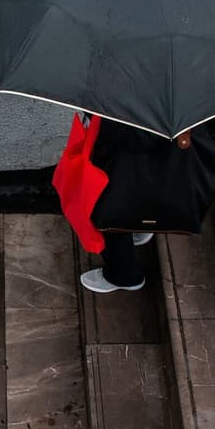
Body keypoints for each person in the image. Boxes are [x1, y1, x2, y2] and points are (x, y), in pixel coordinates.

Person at [77, 114, 158, 294]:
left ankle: (124, 276)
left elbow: (132, 138)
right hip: (150, 157)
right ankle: (140, 227)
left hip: (120, 157)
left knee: (110, 211)